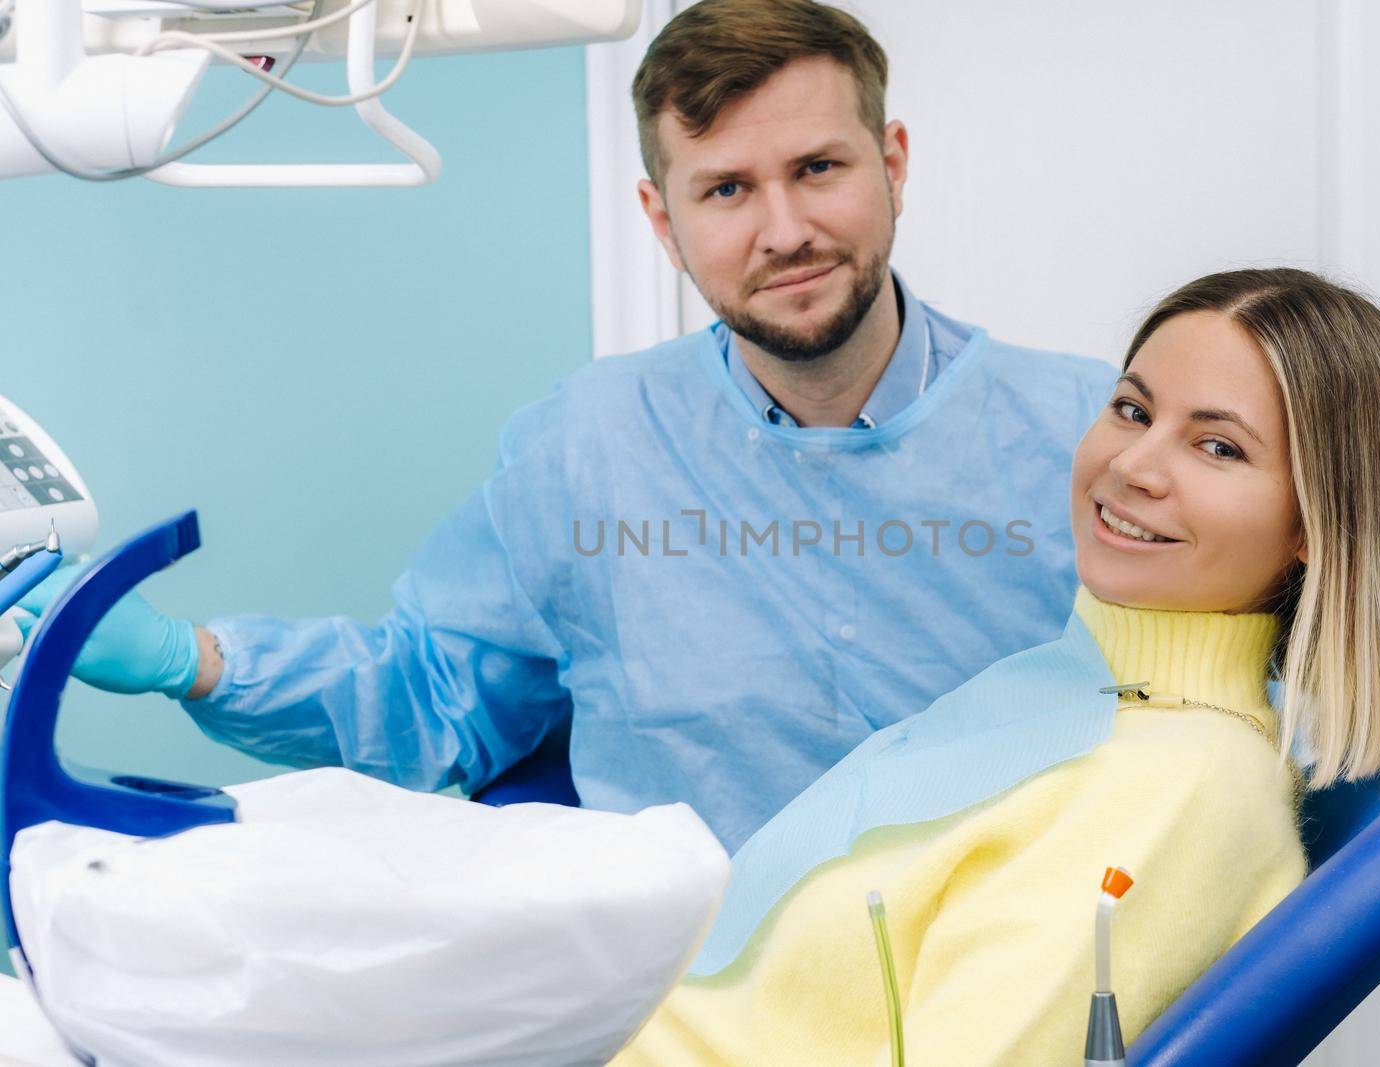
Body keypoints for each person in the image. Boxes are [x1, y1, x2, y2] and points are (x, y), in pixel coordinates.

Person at [12, 0, 1114, 852]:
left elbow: (1196, 736)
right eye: (726, 190)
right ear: (662, 222)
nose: (785, 229)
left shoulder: (1087, 441)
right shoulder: (590, 448)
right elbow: (433, 698)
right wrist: (192, 661)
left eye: (817, 169)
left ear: (894, 166)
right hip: (692, 1014)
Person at [610, 267, 1380, 1066]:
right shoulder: (1085, 692)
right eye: (1132, 409)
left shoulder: (1179, 785)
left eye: (1217, 446)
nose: (1135, 465)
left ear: (1314, 525)